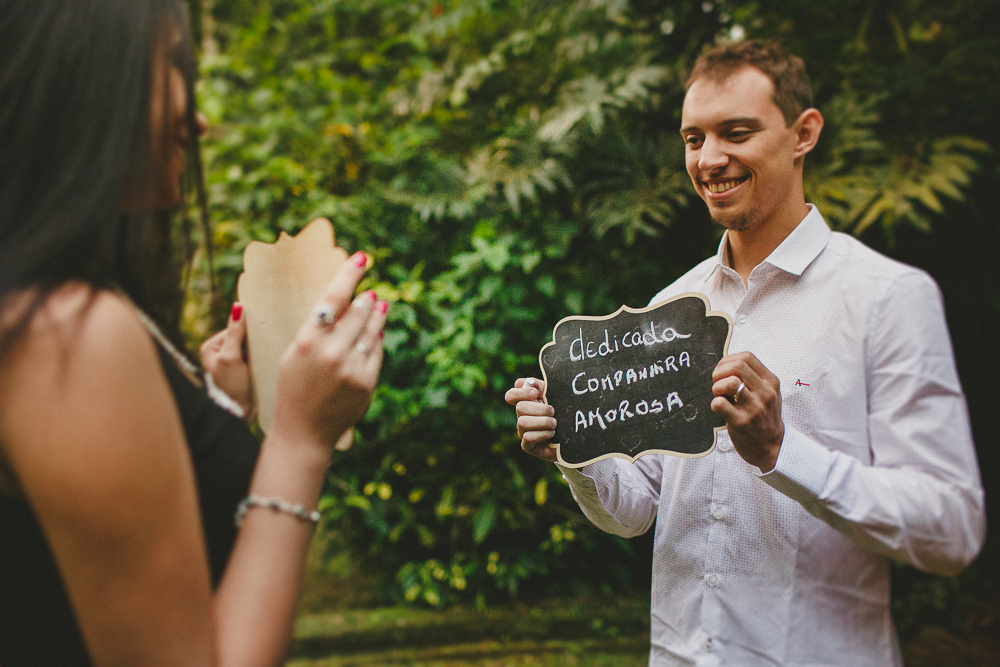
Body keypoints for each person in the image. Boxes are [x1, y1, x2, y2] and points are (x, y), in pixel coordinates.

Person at [506, 40, 985, 666]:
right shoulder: (668, 306)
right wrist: (577, 448)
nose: (709, 159)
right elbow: (636, 510)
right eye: (693, 138)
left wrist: (783, 453)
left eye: (736, 132)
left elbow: (950, 529)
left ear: (803, 132)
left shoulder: (887, 298)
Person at [0, 1, 387, 665]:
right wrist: (299, 440)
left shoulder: (59, 301)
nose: (199, 120)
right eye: (176, 68)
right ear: (89, 80)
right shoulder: (66, 332)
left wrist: (218, 409)